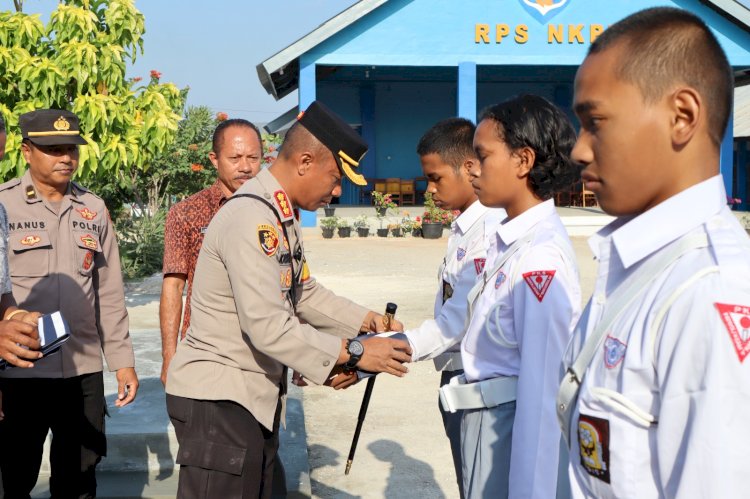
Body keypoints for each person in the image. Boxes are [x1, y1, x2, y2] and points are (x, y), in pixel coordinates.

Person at [165, 100, 413, 498]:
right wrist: (353, 352)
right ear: (303, 161)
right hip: (221, 399)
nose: (336, 191)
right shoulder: (251, 218)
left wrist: (366, 321)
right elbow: (267, 326)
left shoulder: (278, 214)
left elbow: (303, 294)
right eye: (335, 178)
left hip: (249, 398)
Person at [557, 7, 750, 498]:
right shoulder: (636, 264)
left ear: (681, 116)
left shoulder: (711, 290)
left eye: (595, 122)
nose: (579, 150)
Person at [444, 95, 581, 497]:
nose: (474, 171)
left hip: (507, 424)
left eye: (483, 157)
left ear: (523, 161)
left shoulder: (540, 256)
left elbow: (542, 392)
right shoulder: (510, 239)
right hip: (487, 419)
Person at [0, 109, 139, 498]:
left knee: (79, 474)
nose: (66, 158)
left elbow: (109, 291)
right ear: (27, 152)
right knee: (14, 472)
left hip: (81, 370)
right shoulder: (4, 206)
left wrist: (122, 361)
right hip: (20, 370)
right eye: (54, 149)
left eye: (72, 150)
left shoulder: (92, 209)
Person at [402, 117, 504, 497]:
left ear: (470, 167)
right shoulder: (465, 226)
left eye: (435, 178)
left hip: (477, 381)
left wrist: (382, 350)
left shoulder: (489, 231)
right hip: (456, 374)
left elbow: (453, 323)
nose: (429, 190)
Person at [160, 118, 263, 385]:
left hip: (262, 351)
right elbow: (173, 287)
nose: (245, 167)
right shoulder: (186, 213)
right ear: (214, 159)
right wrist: (169, 356)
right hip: (204, 352)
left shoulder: (275, 212)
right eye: (235, 157)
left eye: (253, 157)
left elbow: (290, 283)